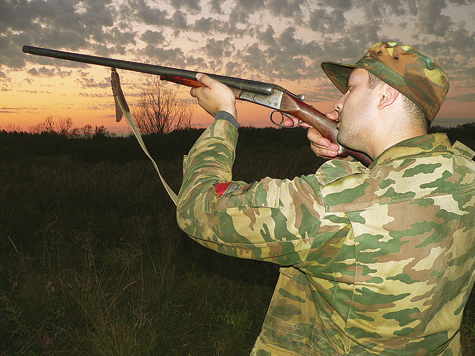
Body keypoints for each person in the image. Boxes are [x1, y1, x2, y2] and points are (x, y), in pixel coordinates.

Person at [176, 41, 475, 355]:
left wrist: (224, 117)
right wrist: (349, 150)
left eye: (350, 89)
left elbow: (199, 208)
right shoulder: (465, 172)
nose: (339, 103)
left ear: (385, 96)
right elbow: (396, 181)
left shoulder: (331, 203)